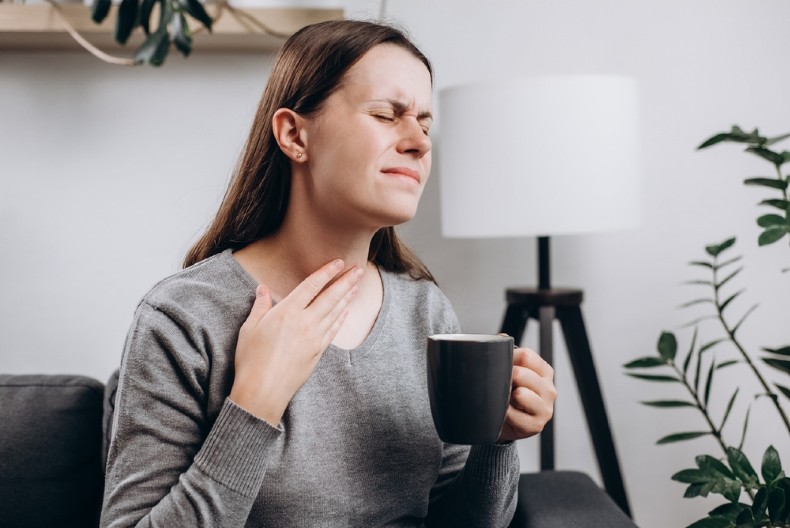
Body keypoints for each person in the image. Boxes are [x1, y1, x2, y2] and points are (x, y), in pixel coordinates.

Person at [100, 19, 556, 528]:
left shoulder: (425, 313)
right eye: (388, 115)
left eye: (425, 125)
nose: (420, 144)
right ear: (295, 134)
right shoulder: (184, 319)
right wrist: (256, 401)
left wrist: (495, 442)